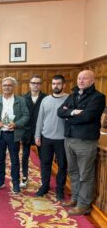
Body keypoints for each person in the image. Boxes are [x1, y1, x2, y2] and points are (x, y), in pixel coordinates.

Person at [57, 70, 105, 215]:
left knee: (85, 174)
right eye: (79, 78)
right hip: (69, 138)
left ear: (92, 80)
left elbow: (87, 117)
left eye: (85, 78)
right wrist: (73, 112)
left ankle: (84, 204)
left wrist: (69, 114)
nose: (81, 80)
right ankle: (75, 198)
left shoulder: (98, 97)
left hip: (85, 141)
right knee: (73, 171)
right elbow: (60, 112)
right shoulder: (72, 95)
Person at [0, 77, 29, 194]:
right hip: (0, 134)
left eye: (9, 85)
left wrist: (16, 124)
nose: (7, 87)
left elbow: (26, 116)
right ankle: (0, 181)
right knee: (0, 159)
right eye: (4, 85)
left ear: (13, 87)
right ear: (1, 87)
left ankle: (16, 183)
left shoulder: (20, 100)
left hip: (13, 135)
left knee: (14, 160)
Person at [34, 75, 68, 201]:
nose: (56, 86)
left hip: (63, 139)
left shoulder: (69, 99)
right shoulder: (46, 100)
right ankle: (45, 186)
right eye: (54, 84)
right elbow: (40, 119)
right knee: (45, 163)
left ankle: (60, 189)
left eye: (58, 83)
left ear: (64, 85)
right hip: (46, 137)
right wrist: (37, 135)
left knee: (62, 165)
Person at [21, 75, 46, 188]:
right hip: (26, 131)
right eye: (33, 83)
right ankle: (25, 178)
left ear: (40, 85)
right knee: (25, 156)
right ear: (30, 84)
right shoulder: (23, 98)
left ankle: (43, 179)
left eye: (38, 83)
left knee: (43, 157)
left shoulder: (46, 98)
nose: (36, 85)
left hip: (41, 132)